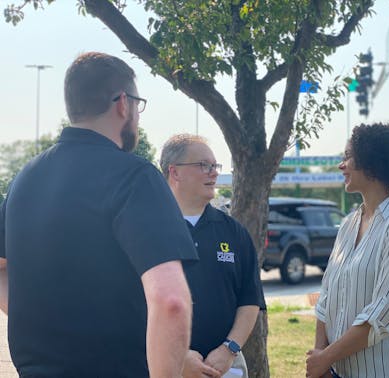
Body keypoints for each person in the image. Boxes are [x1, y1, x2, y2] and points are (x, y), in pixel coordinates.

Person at [0, 52, 198, 377]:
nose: (137, 115)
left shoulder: (24, 179)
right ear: (123, 103)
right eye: (138, 104)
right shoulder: (135, 176)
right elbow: (171, 301)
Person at [306, 123, 389, 378]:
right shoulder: (349, 224)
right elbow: (326, 296)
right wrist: (320, 360)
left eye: (348, 157)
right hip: (339, 371)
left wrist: (325, 357)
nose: (342, 165)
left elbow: (381, 316)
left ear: (372, 164)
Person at [160, 134, 266, 378]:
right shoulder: (149, 229)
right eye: (203, 165)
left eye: (214, 166)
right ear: (174, 172)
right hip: (164, 365)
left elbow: (250, 301)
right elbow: (133, 305)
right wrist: (178, 355)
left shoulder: (234, 231)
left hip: (224, 368)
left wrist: (229, 349)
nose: (213, 173)